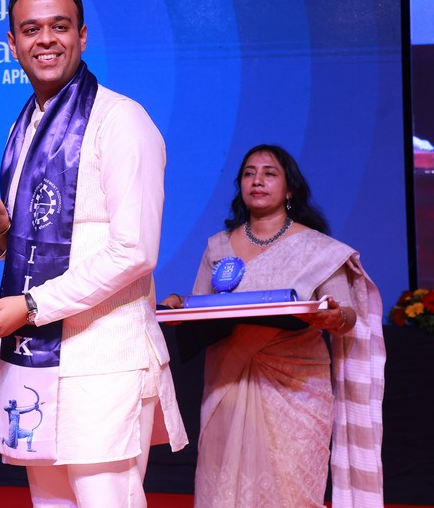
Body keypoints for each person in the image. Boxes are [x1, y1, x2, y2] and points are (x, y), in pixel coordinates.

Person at [0, 0, 187, 507]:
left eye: (59, 27)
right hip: (37, 358)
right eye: (31, 29)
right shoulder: (25, 127)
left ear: (82, 35)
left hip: (102, 359)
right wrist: (3, 232)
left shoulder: (120, 120)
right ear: (12, 43)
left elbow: (134, 251)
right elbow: (45, 241)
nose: (46, 39)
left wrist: (31, 305)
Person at [161, 145, 385, 507]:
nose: (257, 181)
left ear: (290, 189)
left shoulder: (317, 249)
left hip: (298, 385)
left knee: (291, 486)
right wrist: (178, 302)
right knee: (223, 485)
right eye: (249, 173)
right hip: (228, 380)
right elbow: (202, 303)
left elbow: (346, 313)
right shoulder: (218, 246)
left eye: (269, 173)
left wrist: (334, 317)